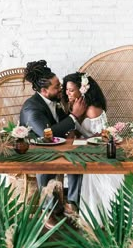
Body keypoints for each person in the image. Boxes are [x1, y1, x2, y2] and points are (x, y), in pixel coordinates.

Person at [20, 60, 86, 229]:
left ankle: (72, 203)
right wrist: (74, 117)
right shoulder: (31, 108)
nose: (61, 90)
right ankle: (46, 211)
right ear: (44, 90)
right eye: (57, 87)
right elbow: (46, 135)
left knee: (77, 159)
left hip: (57, 146)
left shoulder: (54, 100)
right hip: (35, 149)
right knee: (46, 164)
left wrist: (71, 119)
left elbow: (60, 123)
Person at [62, 72, 124, 225]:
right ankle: (70, 203)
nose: (67, 93)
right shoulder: (75, 105)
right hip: (83, 150)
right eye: (66, 89)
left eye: (71, 90)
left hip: (98, 153)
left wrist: (78, 138)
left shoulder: (92, 110)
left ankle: (74, 205)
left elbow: (102, 138)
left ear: (83, 90)